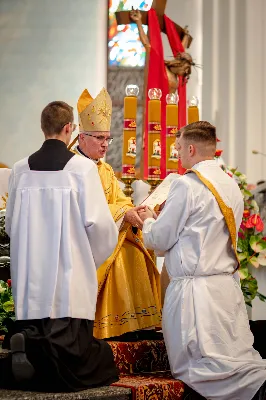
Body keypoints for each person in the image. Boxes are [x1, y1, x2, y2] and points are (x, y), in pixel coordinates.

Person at [139, 121, 266, 400]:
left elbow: (159, 240)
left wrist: (148, 220)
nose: (177, 153)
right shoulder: (230, 185)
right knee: (235, 358)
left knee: (200, 368)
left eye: (179, 147)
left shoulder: (187, 185)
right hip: (224, 290)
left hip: (195, 296)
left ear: (192, 148)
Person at [2, 101, 119, 391]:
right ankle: (45, 357)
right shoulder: (81, 169)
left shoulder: (19, 169)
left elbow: (11, 224)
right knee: (96, 361)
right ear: (70, 129)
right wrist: (87, 260)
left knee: (36, 325)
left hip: (31, 281)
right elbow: (101, 227)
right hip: (69, 280)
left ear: (43, 128)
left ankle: (28, 344)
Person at [69, 88, 161, 340]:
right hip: (84, 238)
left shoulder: (105, 169)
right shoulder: (72, 168)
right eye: (99, 138)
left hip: (111, 230)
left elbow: (118, 200)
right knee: (122, 255)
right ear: (82, 136)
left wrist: (133, 210)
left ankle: (136, 323)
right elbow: (84, 209)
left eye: (107, 139)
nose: (104, 144)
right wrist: (124, 213)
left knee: (140, 249)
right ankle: (113, 325)